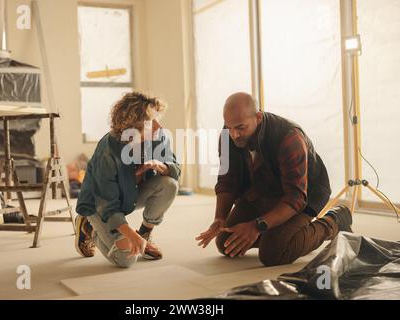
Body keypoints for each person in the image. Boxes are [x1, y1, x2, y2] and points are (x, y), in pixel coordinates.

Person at [196, 92, 352, 266]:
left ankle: (334, 222)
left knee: (273, 254)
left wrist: (256, 227)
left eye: (240, 127)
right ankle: (276, 233)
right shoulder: (228, 136)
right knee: (226, 243)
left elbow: (295, 198)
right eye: (229, 127)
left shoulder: (290, 137)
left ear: (258, 117)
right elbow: (227, 181)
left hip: (302, 196)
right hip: (262, 192)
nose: (234, 135)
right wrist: (219, 218)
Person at [75, 92, 180, 268]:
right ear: (132, 128)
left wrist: (162, 167)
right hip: (99, 206)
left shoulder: (158, 136)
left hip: (129, 196)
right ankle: (89, 227)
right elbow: (107, 206)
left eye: (157, 119)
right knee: (126, 259)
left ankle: (144, 234)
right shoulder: (108, 152)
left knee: (169, 184)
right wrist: (130, 235)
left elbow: (175, 168)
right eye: (150, 123)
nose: (159, 126)